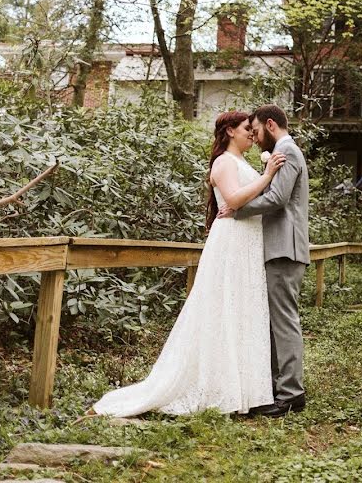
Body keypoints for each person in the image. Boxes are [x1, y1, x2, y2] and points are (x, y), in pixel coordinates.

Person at [91, 111, 287, 417]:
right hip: (231, 241)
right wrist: (267, 175)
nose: (252, 134)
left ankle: (246, 391)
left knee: (242, 310)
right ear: (230, 131)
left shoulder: (241, 162)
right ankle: (223, 390)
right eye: (247, 128)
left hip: (247, 241)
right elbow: (234, 200)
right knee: (223, 308)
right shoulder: (223, 161)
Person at [226, 105, 311, 418]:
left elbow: (277, 199)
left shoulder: (287, 151)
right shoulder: (285, 151)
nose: (255, 136)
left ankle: (291, 394)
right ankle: (281, 388)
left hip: (285, 248)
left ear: (271, 125)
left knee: (285, 320)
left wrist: (237, 209)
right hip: (279, 247)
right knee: (277, 320)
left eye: (257, 130)